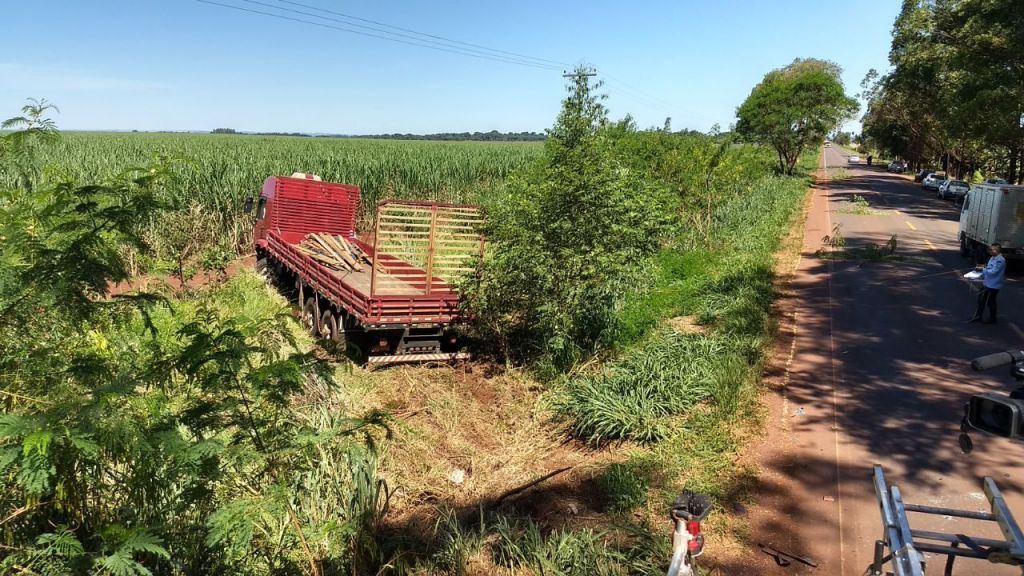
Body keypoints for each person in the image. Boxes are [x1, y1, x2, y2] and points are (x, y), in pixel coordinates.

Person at [969, 243, 1006, 324]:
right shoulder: (992, 257)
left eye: (992, 249)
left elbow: (993, 272)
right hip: (987, 283)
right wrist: (977, 271)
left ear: (997, 250)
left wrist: (982, 269)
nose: (990, 251)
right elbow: (987, 267)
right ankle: (978, 316)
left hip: (993, 285)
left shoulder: (1000, 260)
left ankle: (993, 319)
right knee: (981, 299)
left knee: (990, 302)